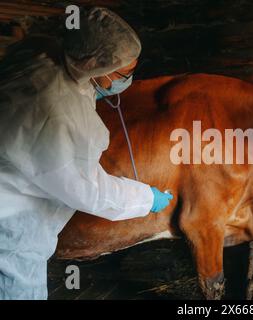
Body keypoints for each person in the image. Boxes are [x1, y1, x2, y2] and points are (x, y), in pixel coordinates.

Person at [0, 7, 173, 300]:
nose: (127, 81)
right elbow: (87, 189)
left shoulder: (43, 56)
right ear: (97, 66)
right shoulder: (53, 112)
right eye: (124, 73)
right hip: (10, 230)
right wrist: (146, 198)